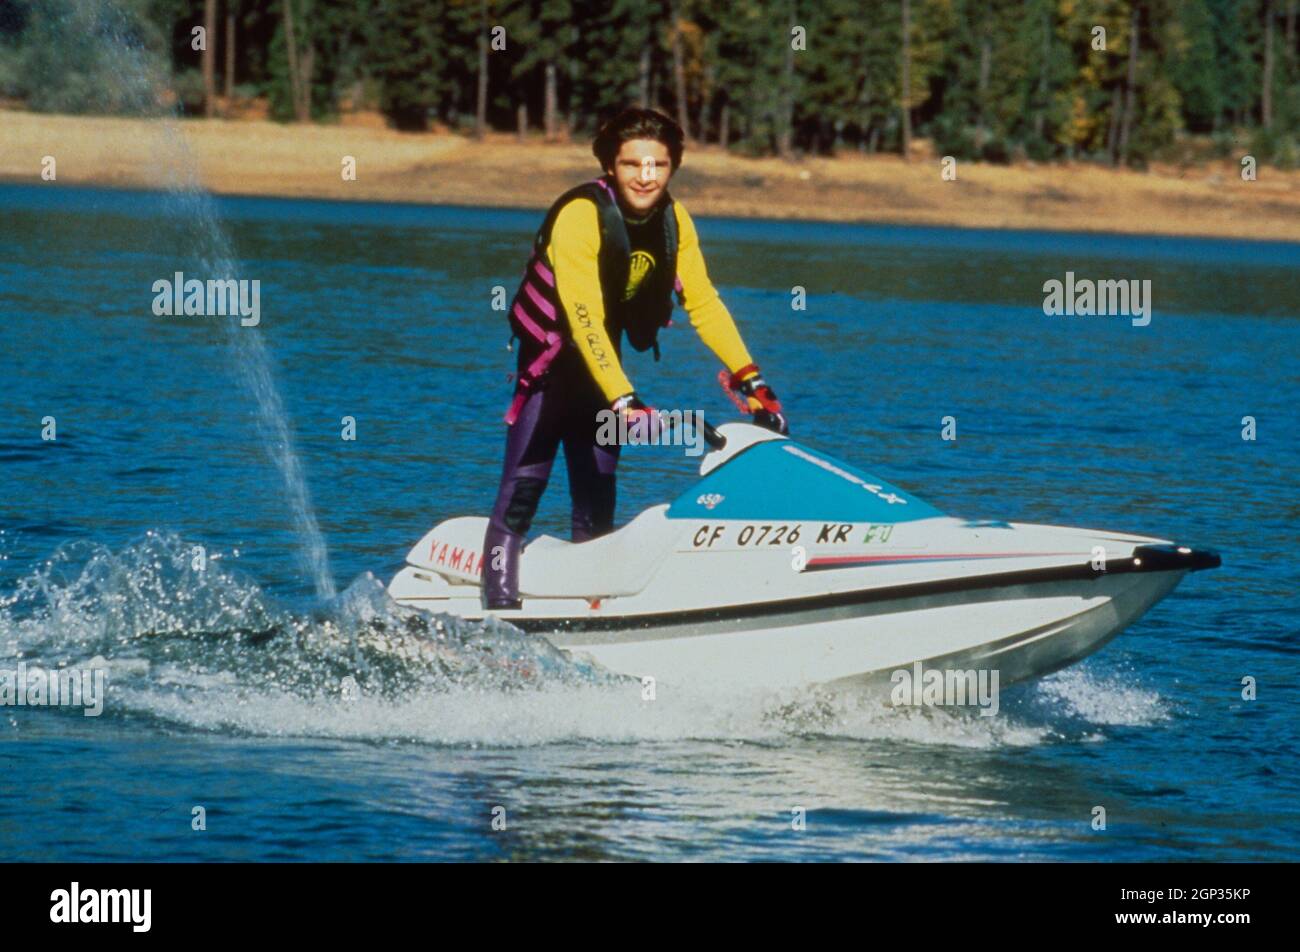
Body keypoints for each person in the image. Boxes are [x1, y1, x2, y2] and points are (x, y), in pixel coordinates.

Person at [483, 106, 788, 610]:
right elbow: (582, 317)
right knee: (522, 493)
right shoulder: (580, 215)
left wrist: (752, 379)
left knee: (597, 495)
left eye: (658, 165)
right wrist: (625, 400)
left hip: (605, 381)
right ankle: (498, 613)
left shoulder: (674, 220)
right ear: (610, 167)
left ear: (672, 167)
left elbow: (704, 303)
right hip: (551, 374)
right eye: (632, 164)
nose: (645, 177)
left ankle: (593, 611)